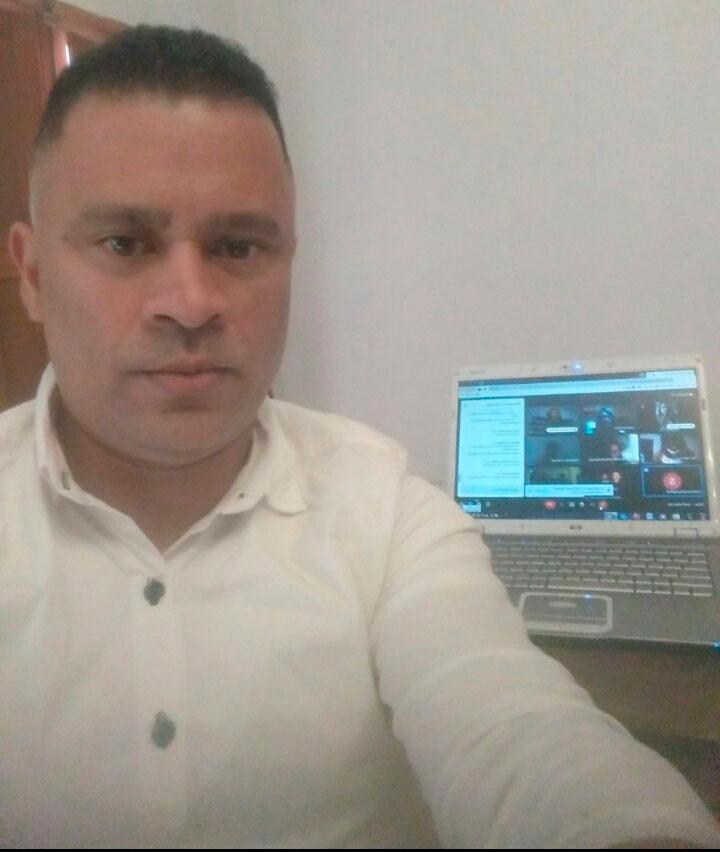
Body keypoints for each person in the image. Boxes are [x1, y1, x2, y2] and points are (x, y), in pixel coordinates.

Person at [2, 25, 718, 850]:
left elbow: (512, 723)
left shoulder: (390, 518)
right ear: (32, 274)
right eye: (124, 243)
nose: (191, 302)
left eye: (238, 246)